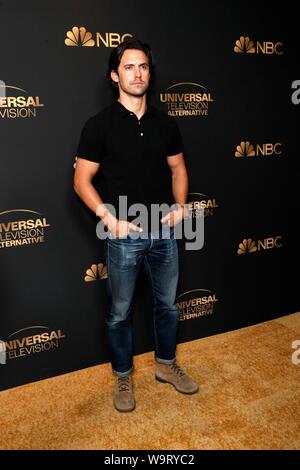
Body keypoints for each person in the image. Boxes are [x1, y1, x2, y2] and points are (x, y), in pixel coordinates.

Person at [74, 38, 199, 412]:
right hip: (124, 236)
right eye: (129, 67)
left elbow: (178, 168)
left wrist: (180, 207)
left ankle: (166, 365)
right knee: (120, 311)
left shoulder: (165, 123)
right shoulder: (99, 126)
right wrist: (109, 220)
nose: (137, 73)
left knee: (167, 306)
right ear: (115, 75)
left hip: (163, 232)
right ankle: (123, 375)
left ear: (149, 72)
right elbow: (81, 180)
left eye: (143, 66)